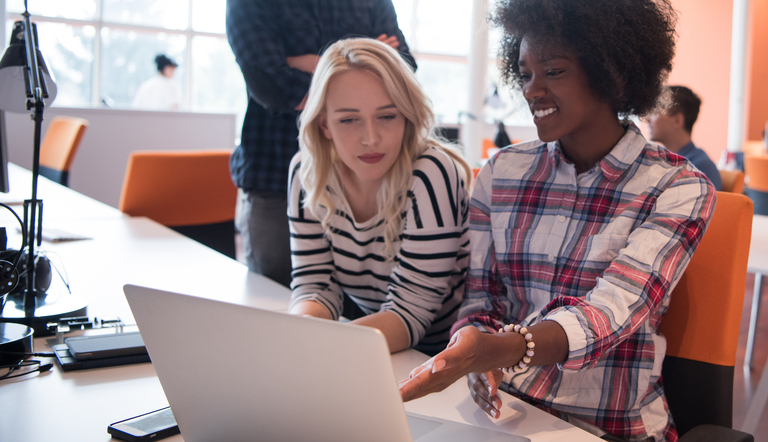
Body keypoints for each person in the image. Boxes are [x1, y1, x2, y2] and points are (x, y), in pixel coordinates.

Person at [398, 1, 716, 441]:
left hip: (610, 427)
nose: (532, 89)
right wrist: (473, 349)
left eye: (553, 71)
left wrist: (498, 351)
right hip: (506, 417)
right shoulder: (500, 174)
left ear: (612, 70)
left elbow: (611, 312)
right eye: (526, 73)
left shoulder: (677, 187)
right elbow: (483, 301)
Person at [287, 38, 470, 354]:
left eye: (387, 116)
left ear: (407, 115)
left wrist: (314, 350)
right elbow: (315, 285)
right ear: (324, 124)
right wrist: (295, 334)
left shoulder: (430, 173)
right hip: (376, 349)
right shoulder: (306, 172)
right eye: (348, 119)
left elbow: (409, 313)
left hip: (447, 362)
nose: (370, 138)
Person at [226, 0, 415, 287]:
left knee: (357, 308)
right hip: (273, 174)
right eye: (344, 117)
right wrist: (361, 64)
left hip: (365, 184)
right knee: (272, 302)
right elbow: (272, 86)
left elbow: (403, 70)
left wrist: (301, 62)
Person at [647, 85, 723, 190]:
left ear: (677, 120)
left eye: (655, 112)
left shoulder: (699, 169)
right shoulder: (663, 161)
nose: (647, 119)